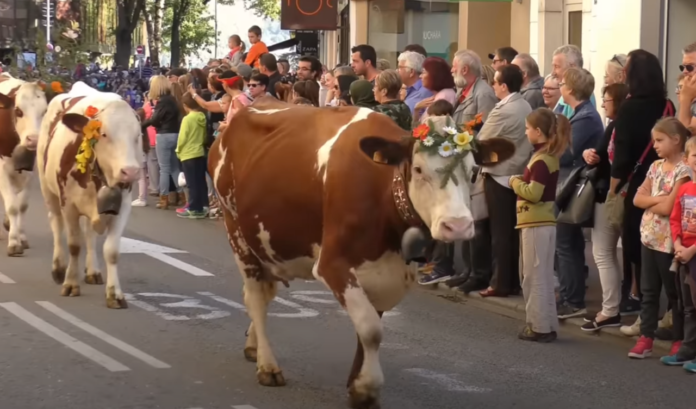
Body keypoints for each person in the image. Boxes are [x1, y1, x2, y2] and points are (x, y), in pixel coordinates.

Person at [628, 117, 690, 358]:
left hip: (669, 240)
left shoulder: (683, 171)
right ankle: (646, 336)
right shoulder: (655, 167)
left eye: (660, 140)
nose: (655, 145)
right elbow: (636, 199)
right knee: (649, 289)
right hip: (649, 236)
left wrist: (651, 202)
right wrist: (657, 200)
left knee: (673, 291)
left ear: (676, 140)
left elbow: (670, 209)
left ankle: (678, 336)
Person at [511, 108, 570, 342]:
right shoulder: (548, 157)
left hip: (536, 222)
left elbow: (534, 193)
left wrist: (515, 182)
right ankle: (546, 323)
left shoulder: (542, 160)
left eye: (527, 129)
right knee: (541, 274)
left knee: (533, 276)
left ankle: (538, 326)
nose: (525, 133)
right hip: (541, 222)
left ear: (537, 131)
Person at [668, 132, 696, 373]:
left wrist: (690, 250)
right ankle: (688, 349)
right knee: (687, 304)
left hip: (693, 252)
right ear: (686, 160)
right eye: (695, 155)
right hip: (683, 252)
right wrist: (677, 245)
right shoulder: (685, 187)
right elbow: (675, 219)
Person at [141, 75, 184, 210]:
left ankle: (163, 198)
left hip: (164, 135)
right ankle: (182, 195)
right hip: (175, 134)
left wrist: (142, 125)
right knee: (174, 167)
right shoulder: (172, 100)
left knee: (164, 168)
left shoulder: (162, 102)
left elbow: (155, 119)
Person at [176, 92, 210, 219]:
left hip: (188, 153)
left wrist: (178, 151)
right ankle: (203, 205)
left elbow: (182, 137)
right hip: (200, 151)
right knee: (200, 181)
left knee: (191, 183)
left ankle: (194, 208)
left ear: (185, 105)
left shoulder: (187, 119)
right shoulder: (202, 117)